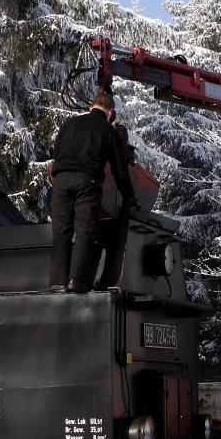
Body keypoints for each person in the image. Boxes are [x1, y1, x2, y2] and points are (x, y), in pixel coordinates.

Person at [49, 92, 139, 293]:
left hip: (61, 181)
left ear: (91, 106)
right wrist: (129, 196)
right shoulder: (108, 130)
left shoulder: (69, 124)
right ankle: (77, 281)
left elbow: (56, 153)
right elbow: (119, 170)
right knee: (84, 230)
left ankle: (57, 282)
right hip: (87, 182)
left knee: (61, 231)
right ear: (110, 111)